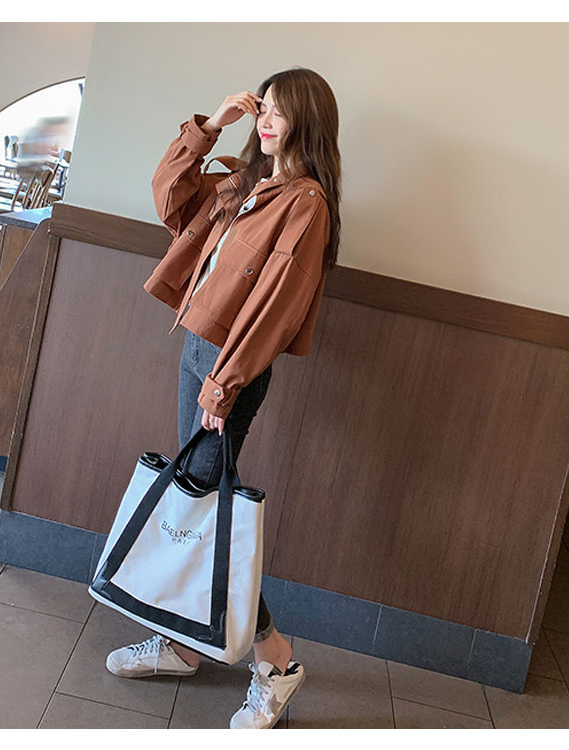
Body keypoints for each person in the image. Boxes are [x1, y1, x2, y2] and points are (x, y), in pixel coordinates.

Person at [106, 67, 341, 730]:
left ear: (307, 120)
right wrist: (210, 126)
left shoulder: (306, 203)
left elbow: (274, 308)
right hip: (198, 348)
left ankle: (276, 663)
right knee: (197, 502)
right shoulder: (245, 182)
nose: (265, 121)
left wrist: (225, 383)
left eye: (279, 111)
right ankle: (184, 645)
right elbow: (169, 199)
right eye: (263, 108)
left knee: (210, 515)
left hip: (230, 368)